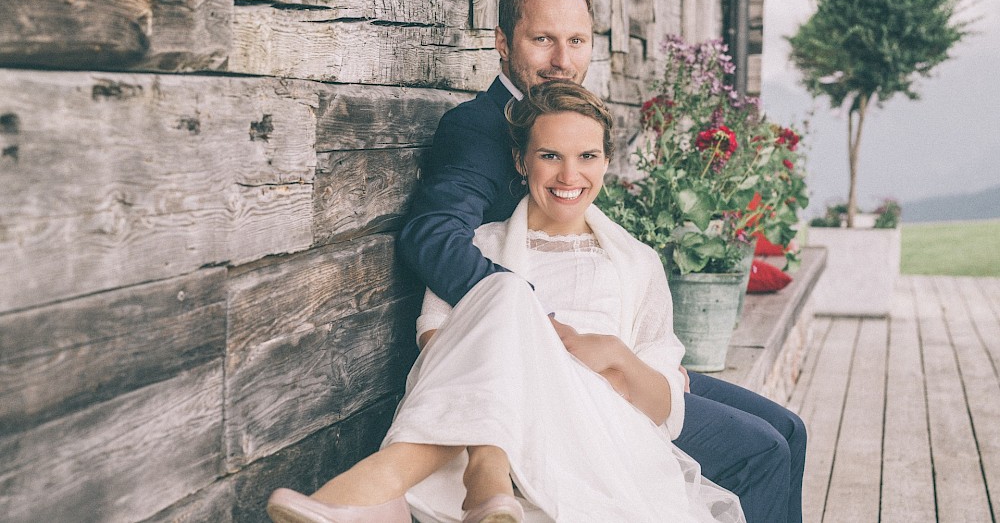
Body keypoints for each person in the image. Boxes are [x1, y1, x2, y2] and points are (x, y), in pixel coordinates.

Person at [396, 0, 806, 523]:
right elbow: (434, 234)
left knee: (788, 428)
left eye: (577, 41)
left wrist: (645, 360)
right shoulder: (480, 128)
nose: (562, 58)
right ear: (501, 42)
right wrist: (532, 320)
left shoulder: (565, 114)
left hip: (599, 343)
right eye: (542, 39)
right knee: (761, 452)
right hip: (548, 369)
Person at [268, 80, 746, 523]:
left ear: (605, 163)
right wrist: (534, 342)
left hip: (597, 437)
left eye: (587, 156)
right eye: (550, 155)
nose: (569, 174)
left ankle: (392, 483)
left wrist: (614, 353)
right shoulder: (481, 248)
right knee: (506, 289)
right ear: (521, 161)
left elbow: (666, 408)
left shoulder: (637, 263)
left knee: (506, 291)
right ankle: (488, 470)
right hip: (493, 417)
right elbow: (436, 349)